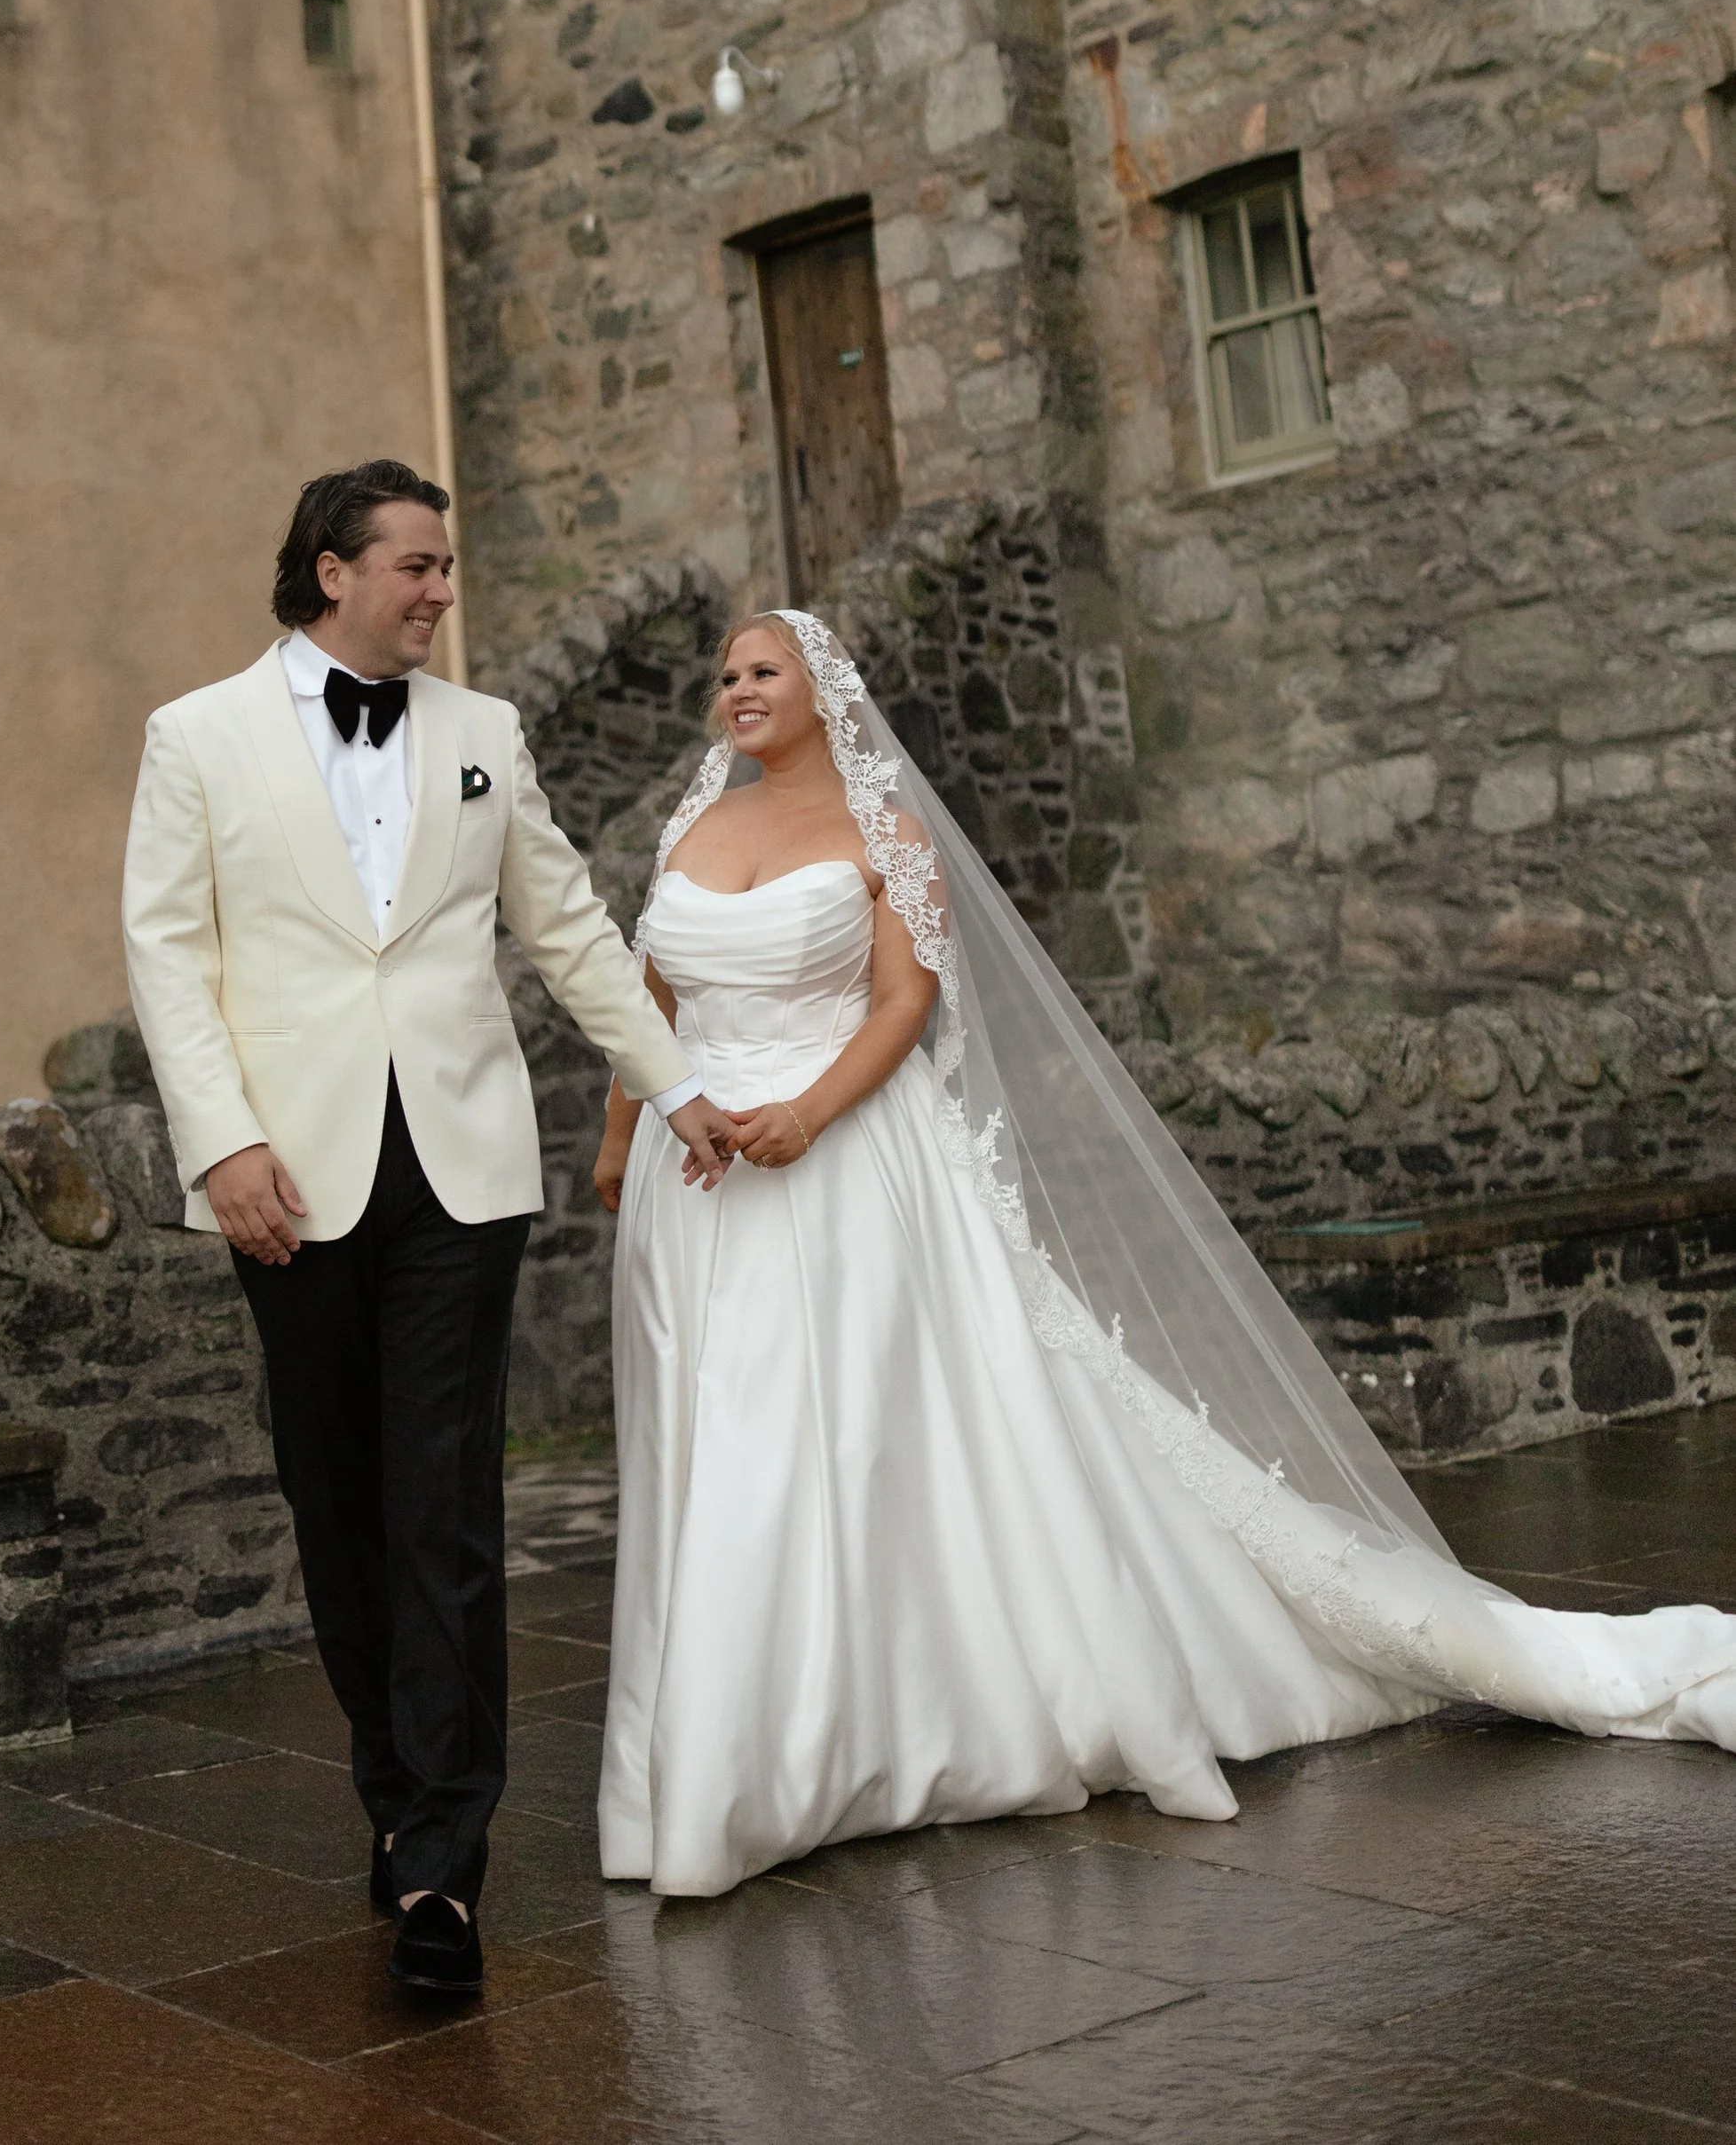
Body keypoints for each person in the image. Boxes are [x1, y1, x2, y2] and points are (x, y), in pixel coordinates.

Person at [593, 606, 1736, 1899]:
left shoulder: (888, 835)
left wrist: (803, 1111)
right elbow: (651, 993)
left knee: (829, 1437)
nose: (738, 686)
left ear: (825, 691)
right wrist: (622, 1130)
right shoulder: (691, 830)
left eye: (765, 667)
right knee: (710, 1448)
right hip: (697, 1185)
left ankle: (802, 1755)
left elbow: (908, 1003)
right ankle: (716, 1744)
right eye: (727, 673)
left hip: (843, 1160)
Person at [122, 460, 733, 1990]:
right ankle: (395, 1801)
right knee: (339, 1511)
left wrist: (676, 1086)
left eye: (446, 565)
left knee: (448, 1514)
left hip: (463, 1172)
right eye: (418, 565)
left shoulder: (487, 735)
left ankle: (447, 1867)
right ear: (333, 570)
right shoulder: (195, 737)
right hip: (293, 1181)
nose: (443, 589)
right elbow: (168, 957)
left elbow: (572, 927)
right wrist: (226, 1146)